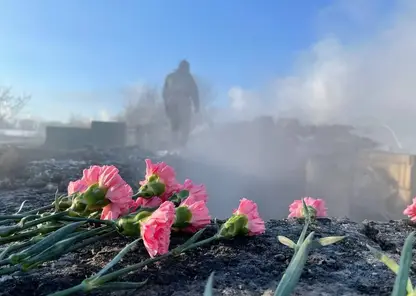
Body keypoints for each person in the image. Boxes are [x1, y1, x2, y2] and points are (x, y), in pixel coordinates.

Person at [162, 60, 200, 148]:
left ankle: (176, 145)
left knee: (176, 124)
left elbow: (164, 92)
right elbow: (194, 91)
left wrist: (166, 104)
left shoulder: (171, 76)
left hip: (173, 101)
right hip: (183, 100)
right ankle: (180, 145)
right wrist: (196, 105)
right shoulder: (188, 77)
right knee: (183, 124)